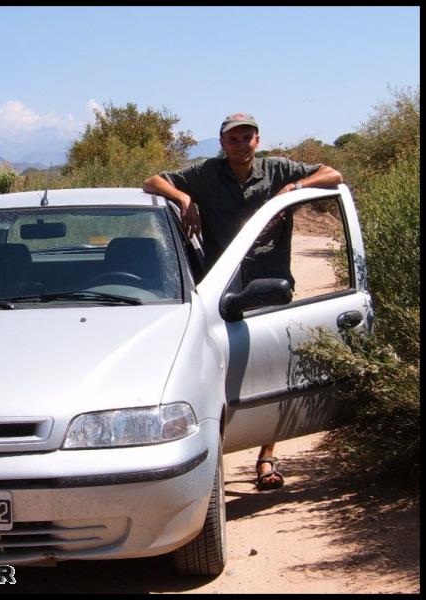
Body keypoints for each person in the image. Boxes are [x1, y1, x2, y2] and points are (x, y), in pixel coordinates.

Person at [142, 112, 343, 491]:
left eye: (246, 137)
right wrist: (185, 197)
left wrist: (297, 186)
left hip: (271, 285)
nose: (240, 145)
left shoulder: (278, 169)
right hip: (224, 288)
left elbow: (332, 176)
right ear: (222, 144)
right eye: (233, 139)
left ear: (257, 140)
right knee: (222, 369)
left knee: (273, 368)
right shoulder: (206, 173)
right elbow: (152, 182)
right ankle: (216, 454)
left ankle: (266, 457)